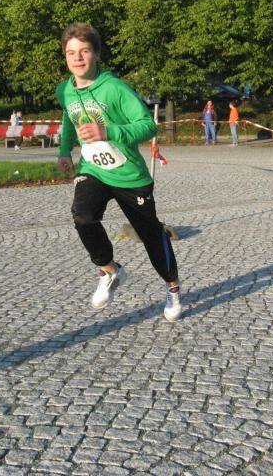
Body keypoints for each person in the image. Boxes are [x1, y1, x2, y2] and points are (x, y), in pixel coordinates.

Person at [55, 22, 181, 321]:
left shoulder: (115, 88)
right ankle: (110, 271)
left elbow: (148, 126)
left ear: (96, 54)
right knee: (83, 216)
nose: (78, 58)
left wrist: (108, 131)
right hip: (93, 169)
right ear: (65, 56)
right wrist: (64, 151)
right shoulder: (65, 90)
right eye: (71, 52)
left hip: (129, 175)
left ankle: (173, 288)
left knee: (151, 236)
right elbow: (69, 118)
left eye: (84, 51)